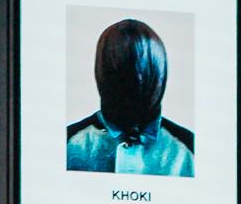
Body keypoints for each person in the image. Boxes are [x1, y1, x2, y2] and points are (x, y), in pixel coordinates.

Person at [67, 17, 194, 178]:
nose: (132, 85)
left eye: (142, 75)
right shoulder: (70, 144)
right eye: (120, 74)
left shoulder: (189, 150)